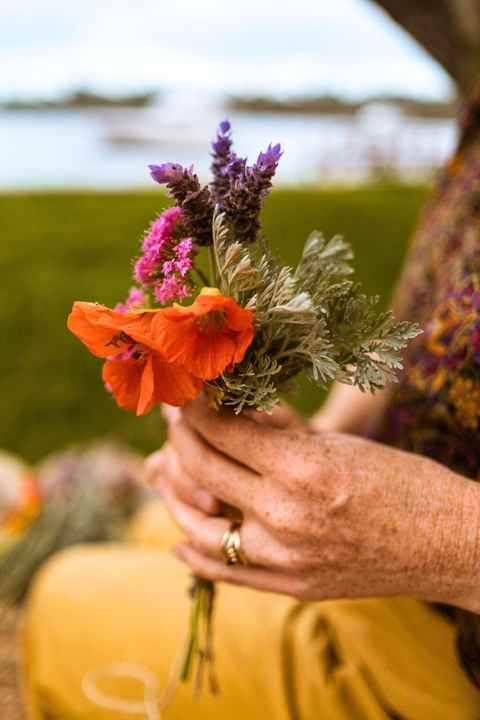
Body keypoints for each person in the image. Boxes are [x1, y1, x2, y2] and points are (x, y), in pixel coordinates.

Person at [21, 86, 480, 720]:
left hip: (454, 645)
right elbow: (422, 330)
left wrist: (445, 540)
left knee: (62, 597)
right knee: (156, 524)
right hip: (393, 547)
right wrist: (316, 441)